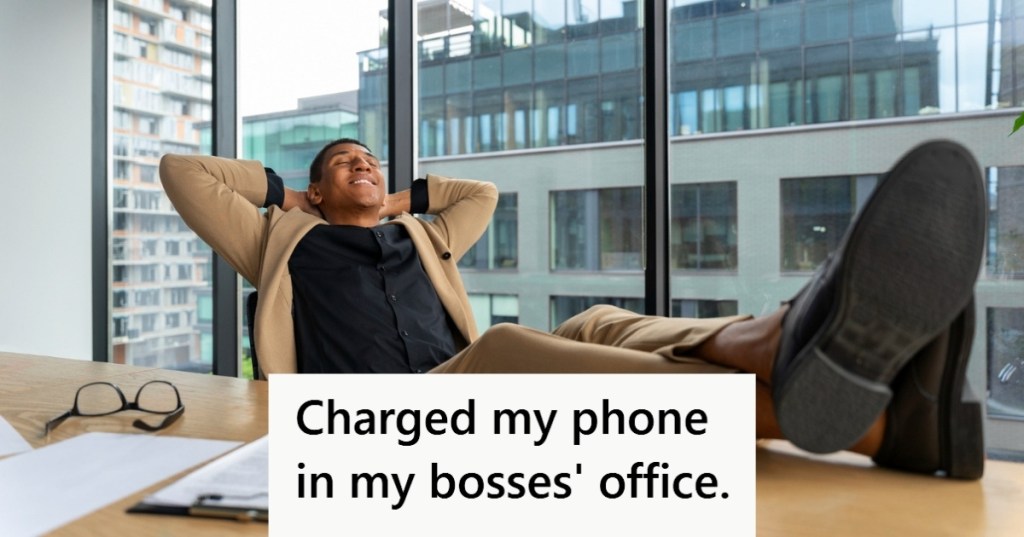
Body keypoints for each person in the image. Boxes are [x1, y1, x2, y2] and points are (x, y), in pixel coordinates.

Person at [160, 138, 986, 479]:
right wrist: (287, 194)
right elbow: (183, 173)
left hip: (457, 385)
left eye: (371, 159)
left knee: (595, 320)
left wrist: (394, 197)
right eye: (347, 163)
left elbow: (480, 193)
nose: (364, 165)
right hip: (379, 422)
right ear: (314, 190)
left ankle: (787, 355)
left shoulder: (423, 234)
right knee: (505, 346)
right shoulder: (280, 241)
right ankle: (864, 407)